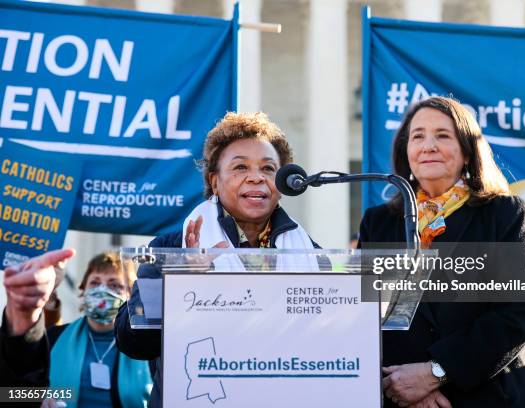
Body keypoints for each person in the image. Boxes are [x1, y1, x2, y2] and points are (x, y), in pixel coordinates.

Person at [115, 112, 320, 408]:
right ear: (214, 180)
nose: (256, 177)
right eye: (240, 167)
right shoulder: (172, 249)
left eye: (268, 168)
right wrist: (176, 283)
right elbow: (132, 343)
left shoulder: (311, 255)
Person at [358, 96, 525, 407]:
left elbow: (515, 315)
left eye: (442, 135)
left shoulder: (505, 214)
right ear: (406, 151)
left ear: (468, 151)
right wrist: (401, 386)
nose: (428, 146)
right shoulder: (379, 222)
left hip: (485, 395)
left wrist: (434, 374)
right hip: (398, 394)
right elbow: (367, 317)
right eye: (417, 136)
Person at [45, 252, 151, 408]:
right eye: (95, 283)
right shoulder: (55, 338)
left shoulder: (150, 347)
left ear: (131, 295)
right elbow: (11, 392)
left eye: (114, 285)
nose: (102, 290)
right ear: (83, 291)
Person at [1, 249, 74, 387]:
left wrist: (24, 316)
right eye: (95, 282)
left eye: (114, 285)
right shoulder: (66, 334)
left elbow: (14, 396)